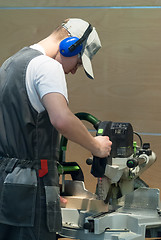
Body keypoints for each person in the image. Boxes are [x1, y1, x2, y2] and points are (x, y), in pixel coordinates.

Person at [0, 18, 112, 240]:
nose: (73, 71)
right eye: (78, 63)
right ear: (71, 45)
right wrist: (97, 147)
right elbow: (61, 119)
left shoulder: (10, 64)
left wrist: (47, 190)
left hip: (7, 185)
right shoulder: (47, 66)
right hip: (30, 188)